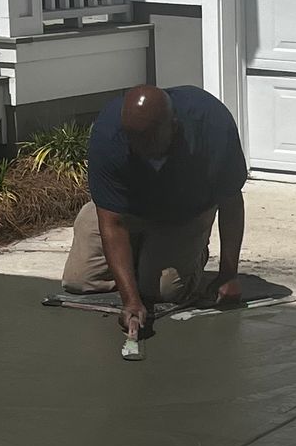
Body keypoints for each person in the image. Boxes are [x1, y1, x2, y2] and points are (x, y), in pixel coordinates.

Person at [62, 84, 249, 341]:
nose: (139, 147)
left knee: (164, 291)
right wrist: (130, 301)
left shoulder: (211, 124)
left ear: (173, 126)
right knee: (78, 281)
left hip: (185, 213)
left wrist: (228, 275)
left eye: (149, 139)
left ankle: (194, 252)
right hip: (128, 211)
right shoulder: (108, 133)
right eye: (133, 139)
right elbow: (112, 223)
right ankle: (142, 255)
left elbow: (231, 202)